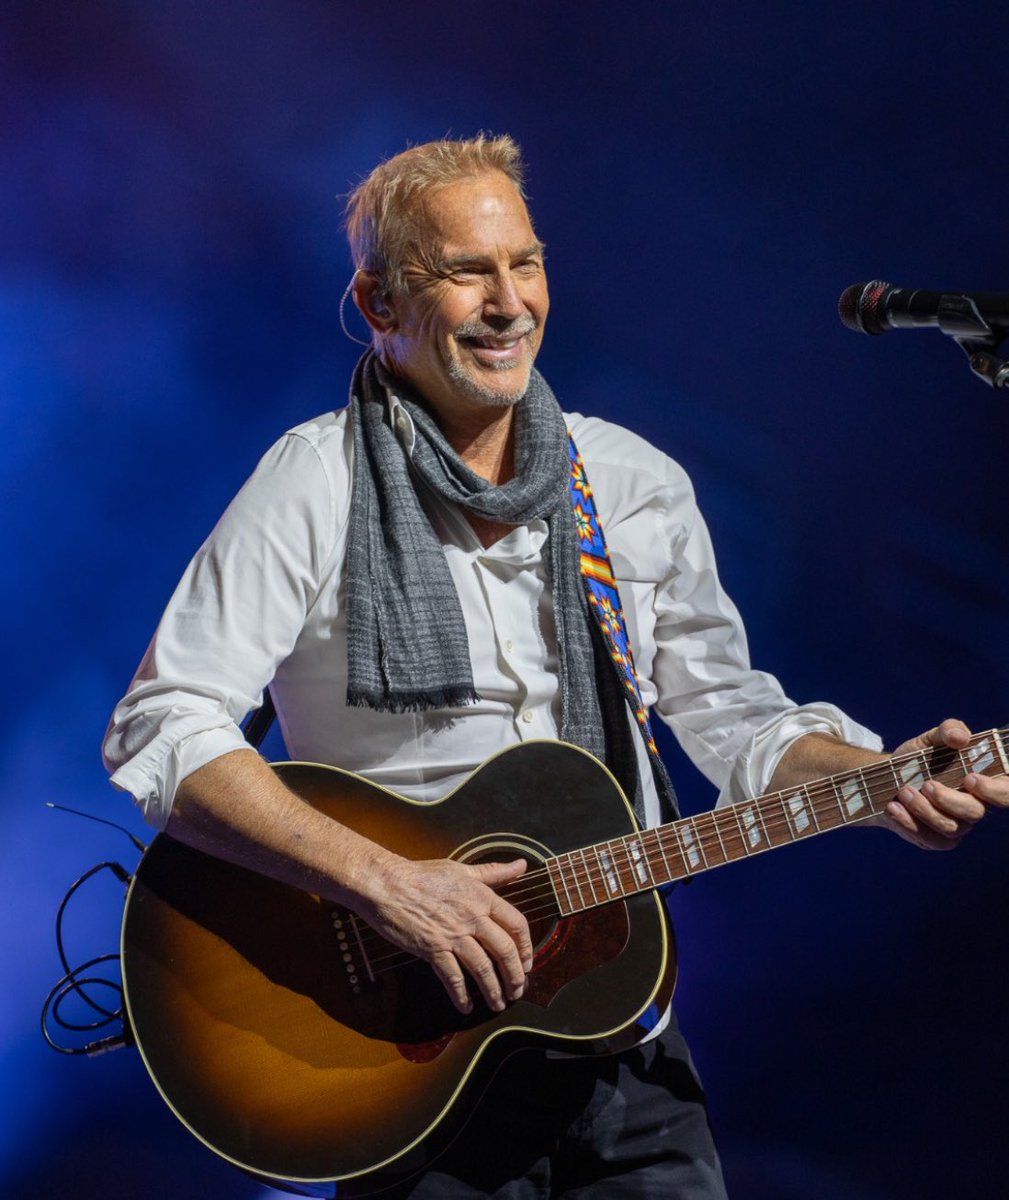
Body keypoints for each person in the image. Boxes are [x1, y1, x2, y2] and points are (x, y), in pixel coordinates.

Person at [104, 134, 1008, 1198]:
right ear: (381, 300)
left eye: (523, 263)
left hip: (613, 1031)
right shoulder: (315, 482)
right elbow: (163, 725)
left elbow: (731, 718)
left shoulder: (628, 483)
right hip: (400, 1052)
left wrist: (868, 783)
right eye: (465, 273)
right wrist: (392, 886)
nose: (508, 302)